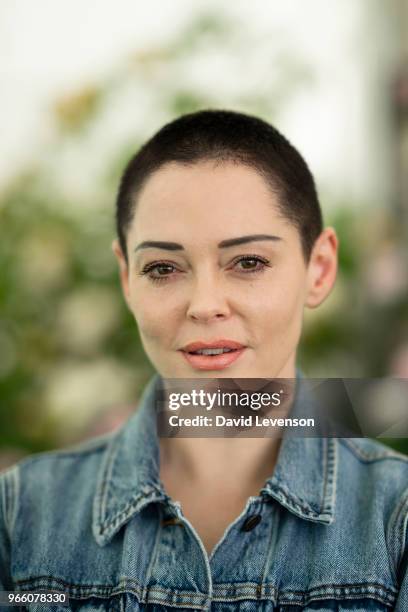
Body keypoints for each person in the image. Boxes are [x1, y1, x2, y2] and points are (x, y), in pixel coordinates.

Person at [0, 109, 407, 611]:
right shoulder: (18, 516)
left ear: (318, 270)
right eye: (163, 268)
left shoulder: (398, 520)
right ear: (127, 279)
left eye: (249, 262)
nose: (204, 304)